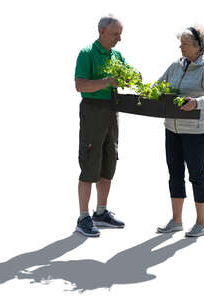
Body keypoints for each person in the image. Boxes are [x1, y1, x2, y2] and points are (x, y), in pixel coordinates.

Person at [157, 25, 204, 237]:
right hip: (171, 129)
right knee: (174, 174)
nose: (180, 47)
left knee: (197, 176)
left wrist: (197, 102)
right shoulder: (176, 65)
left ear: (197, 47)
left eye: (184, 43)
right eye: (180, 43)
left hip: (196, 132)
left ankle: (201, 223)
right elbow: (159, 87)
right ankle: (176, 220)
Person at [74, 15, 125, 237]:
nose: (119, 39)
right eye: (116, 34)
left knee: (108, 161)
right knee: (89, 162)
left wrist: (133, 79)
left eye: (120, 34)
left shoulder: (117, 56)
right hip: (93, 110)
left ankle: (101, 213)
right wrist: (107, 82)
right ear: (102, 32)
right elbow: (80, 84)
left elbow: (126, 77)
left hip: (112, 111)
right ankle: (83, 217)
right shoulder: (87, 54)